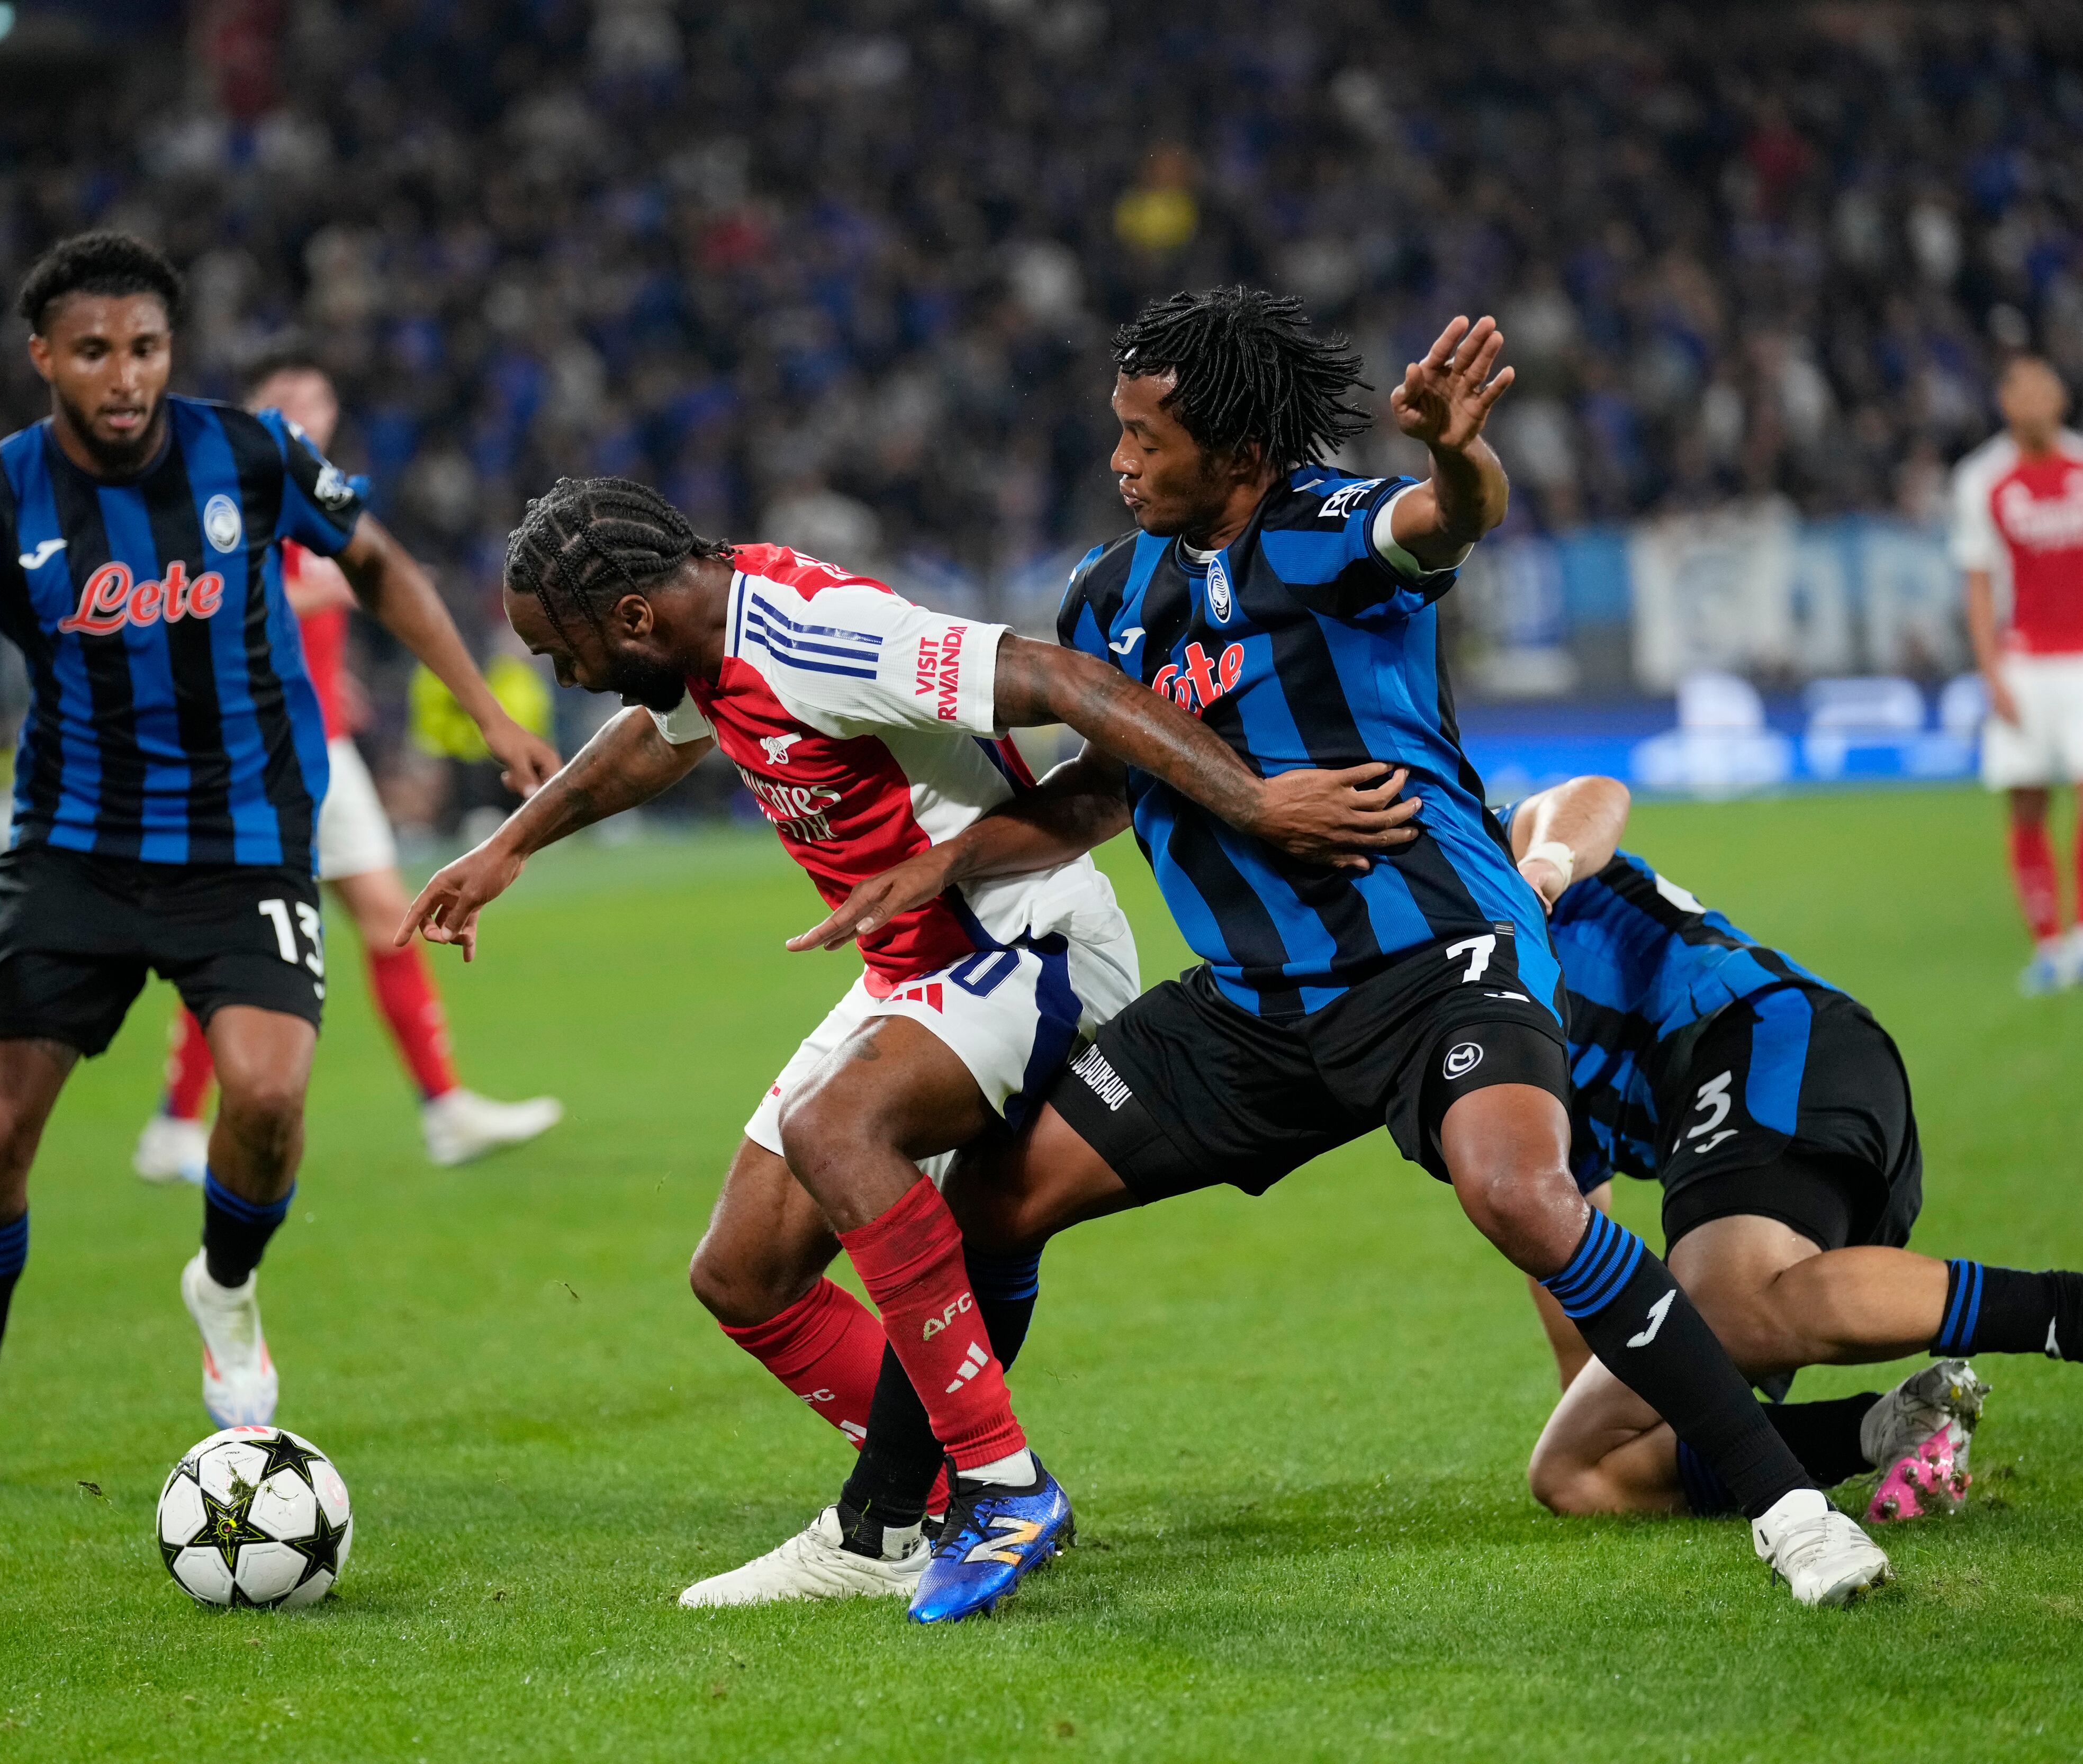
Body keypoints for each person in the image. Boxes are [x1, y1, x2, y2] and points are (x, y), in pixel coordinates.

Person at [673, 287, 1895, 1612]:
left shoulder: (1331, 535)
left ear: (1242, 457)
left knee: (1522, 1197)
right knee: (991, 1199)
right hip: (1250, 1013)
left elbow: (1448, 520)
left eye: (1148, 437)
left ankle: (1788, 1506)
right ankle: (887, 1524)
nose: (1120, 460)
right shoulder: (1109, 593)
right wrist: (956, 856)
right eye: (1118, 430)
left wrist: (1452, 452)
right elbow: (1108, 790)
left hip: (1434, 961)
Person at [398, 475, 1419, 1621]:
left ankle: (1000, 1486)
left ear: (630, 617)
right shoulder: (698, 638)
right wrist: (511, 847)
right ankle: (904, 1508)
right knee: (741, 1274)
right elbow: (656, 738)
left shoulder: (823, 634)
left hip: (1023, 939)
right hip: (913, 969)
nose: (560, 676)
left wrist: (1256, 803)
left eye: (556, 651)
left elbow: (1069, 681)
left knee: (835, 1127)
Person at [0, 232, 555, 1501]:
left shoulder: (253, 451)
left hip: (245, 840)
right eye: (97, 351)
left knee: (270, 1101)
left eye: (148, 349)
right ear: (45, 358)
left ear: (174, 352)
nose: (125, 376)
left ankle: (224, 1287)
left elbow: (376, 561)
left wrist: (489, 714)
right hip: (72, 850)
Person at [1500, 775, 2083, 1517]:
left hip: (1766, 1038)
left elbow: (1594, 795)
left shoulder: (1476, 860)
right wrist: (1620, 1400)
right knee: (1579, 1467)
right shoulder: (1461, 1043)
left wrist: (1544, 870)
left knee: (1717, 1306)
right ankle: (1896, 1425)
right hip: (1747, 1136)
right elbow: (1562, 1239)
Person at [131, 358, 564, 1183]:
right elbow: (188, 601)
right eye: (284, 401)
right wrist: (320, 599)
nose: (305, 414)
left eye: (317, 399)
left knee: (386, 914)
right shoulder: (230, 491)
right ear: (255, 412)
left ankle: (444, 1109)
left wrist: (335, 675)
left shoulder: (315, 495)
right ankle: (173, 1124)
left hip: (321, 738)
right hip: (252, 749)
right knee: (241, 933)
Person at [1952, 354, 2083, 995]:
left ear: (2061, 400)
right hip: (2023, 661)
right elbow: (1979, 585)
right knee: (2027, 800)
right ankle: (2047, 947)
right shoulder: (1981, 479)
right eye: (2023, 392)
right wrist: (1991, 672)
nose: (2037, 402)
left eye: (2047, 389)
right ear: (2005, 404)